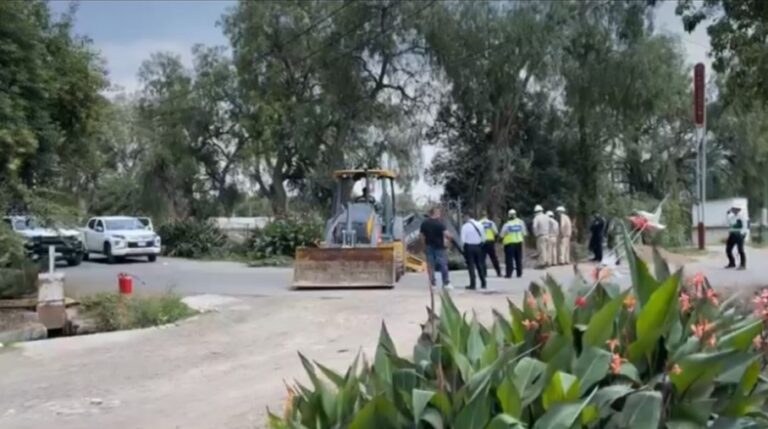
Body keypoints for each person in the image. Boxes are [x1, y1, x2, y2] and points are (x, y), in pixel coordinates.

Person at [420, 207, 452, 290]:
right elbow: (447, 235)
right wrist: (449, 241)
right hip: (439, 247)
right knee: (443, 265)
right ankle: (446, 283)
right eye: (439, 212)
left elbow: (422, 236)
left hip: (428, 246)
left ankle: (432, 284)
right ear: (435, 213)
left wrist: (423, 246)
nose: (440, 214)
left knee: (430, 266)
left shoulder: (424, 223)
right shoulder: (440, 224)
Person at [461, 212, 487, 290]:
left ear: (467, 217)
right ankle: (483, 283)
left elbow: (463, 240)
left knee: (471, 266)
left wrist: (463, 248)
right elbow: (484, 238)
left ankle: (473, 284)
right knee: (480, 265)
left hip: (469, 247)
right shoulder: (479, 225)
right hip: (478, 247)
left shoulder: (465, 227)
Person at [500, 209, 526, 278]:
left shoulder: (507, 224)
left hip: (509, 243)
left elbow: (502, 234)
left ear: (509, 215)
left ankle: (509, 273)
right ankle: (519, 273)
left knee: (509, 259)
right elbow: (524, 232)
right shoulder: (520, 222)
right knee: (518, 258)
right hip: (519, 242)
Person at [726, 202, 748, 270]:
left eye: (734, 209)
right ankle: (732, 263)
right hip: (732, 234)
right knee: (728, 249)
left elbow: (745, 226)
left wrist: (743, 234)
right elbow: (729, 223)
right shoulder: (732, 216)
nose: (733, 210)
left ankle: (743, 264)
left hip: (739, 235)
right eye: (733, 209)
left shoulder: (742, 216)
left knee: (740, 250)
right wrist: (728, 214)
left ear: (738, 209)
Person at [479, 212, 502, 277]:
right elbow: (496, 232)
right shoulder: (491, 223)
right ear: (487, 216)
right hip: (490, 241)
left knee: (482, 258)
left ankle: (484, 273)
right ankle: (498, 272)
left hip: (482, 242)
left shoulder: (479, 223)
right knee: (494, 257)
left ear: (481, 216)